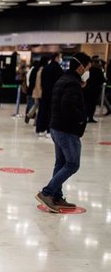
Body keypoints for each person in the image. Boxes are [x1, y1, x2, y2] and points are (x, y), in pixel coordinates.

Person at [35, 52, 91, 213]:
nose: (88, 71)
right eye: (87, 67)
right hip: (66, 130)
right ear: (81, 67)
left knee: (60, 163)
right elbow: (68, 106)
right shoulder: (72, 83)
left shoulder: (64, 79)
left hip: (56, 128)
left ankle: (56, 197)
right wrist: (81, 119)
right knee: (72, 163)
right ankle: (47, 193)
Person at [37, 53, 64, 137]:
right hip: (54, 94)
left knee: (42, 111)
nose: (60, 59)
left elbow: (41, 81)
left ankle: (41, 129)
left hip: (45, 93)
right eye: (59, 57)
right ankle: (49, 130)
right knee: (51, 112)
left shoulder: (45, 68)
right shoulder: (58, 69)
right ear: (56, 58)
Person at [26, 56, 49, 124]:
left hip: (35, 90)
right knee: (40, 107)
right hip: (40, 90)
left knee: (36, 105)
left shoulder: (35, 69)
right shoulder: (43, 70)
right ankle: (36, 121)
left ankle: (29, 115)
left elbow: (31, 80)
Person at [83, 58, 105, 123]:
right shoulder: (98, 70)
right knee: (92, 104)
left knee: (85, 103)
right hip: (95, 90)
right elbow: (102, 80)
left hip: (86, 89)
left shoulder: (87, 69)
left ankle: (85, 116)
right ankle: (90, 117)